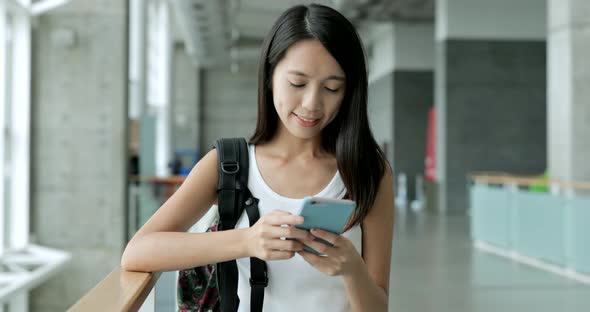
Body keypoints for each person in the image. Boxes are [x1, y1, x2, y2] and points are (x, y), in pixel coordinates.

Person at [121, 4, 394, 312]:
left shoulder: (370, 172)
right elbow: (138, 252)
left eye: (332, 88)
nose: (311, 104)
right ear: (269, 75)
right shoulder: (228, 165)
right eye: (297, 83)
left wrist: (353, 271)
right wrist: (247, 241)